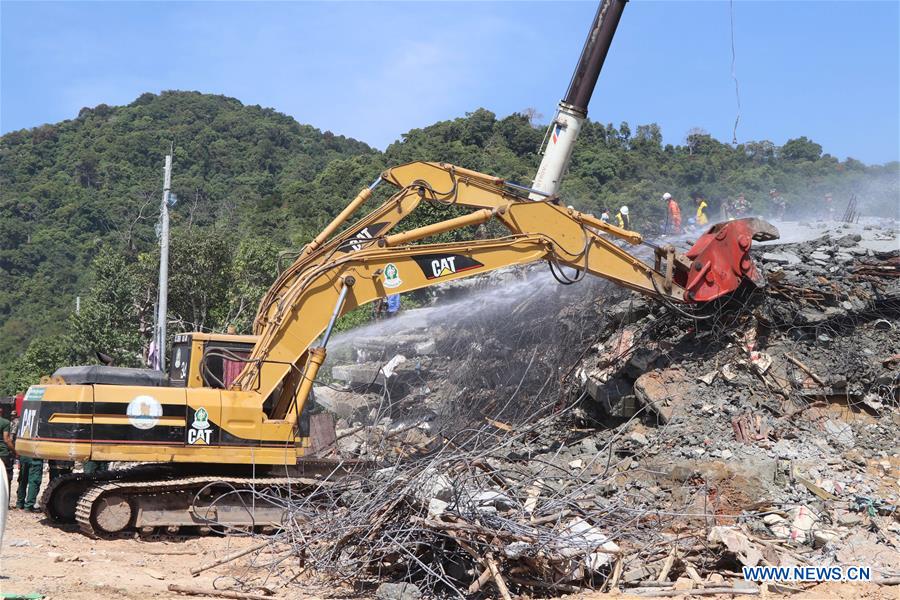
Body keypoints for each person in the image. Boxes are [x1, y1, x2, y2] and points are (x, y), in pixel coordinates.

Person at [0, 410, 14, 488]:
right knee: (6, 478)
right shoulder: (5, 422)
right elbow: (6, 439)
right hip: (3, 454)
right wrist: (15, 451)